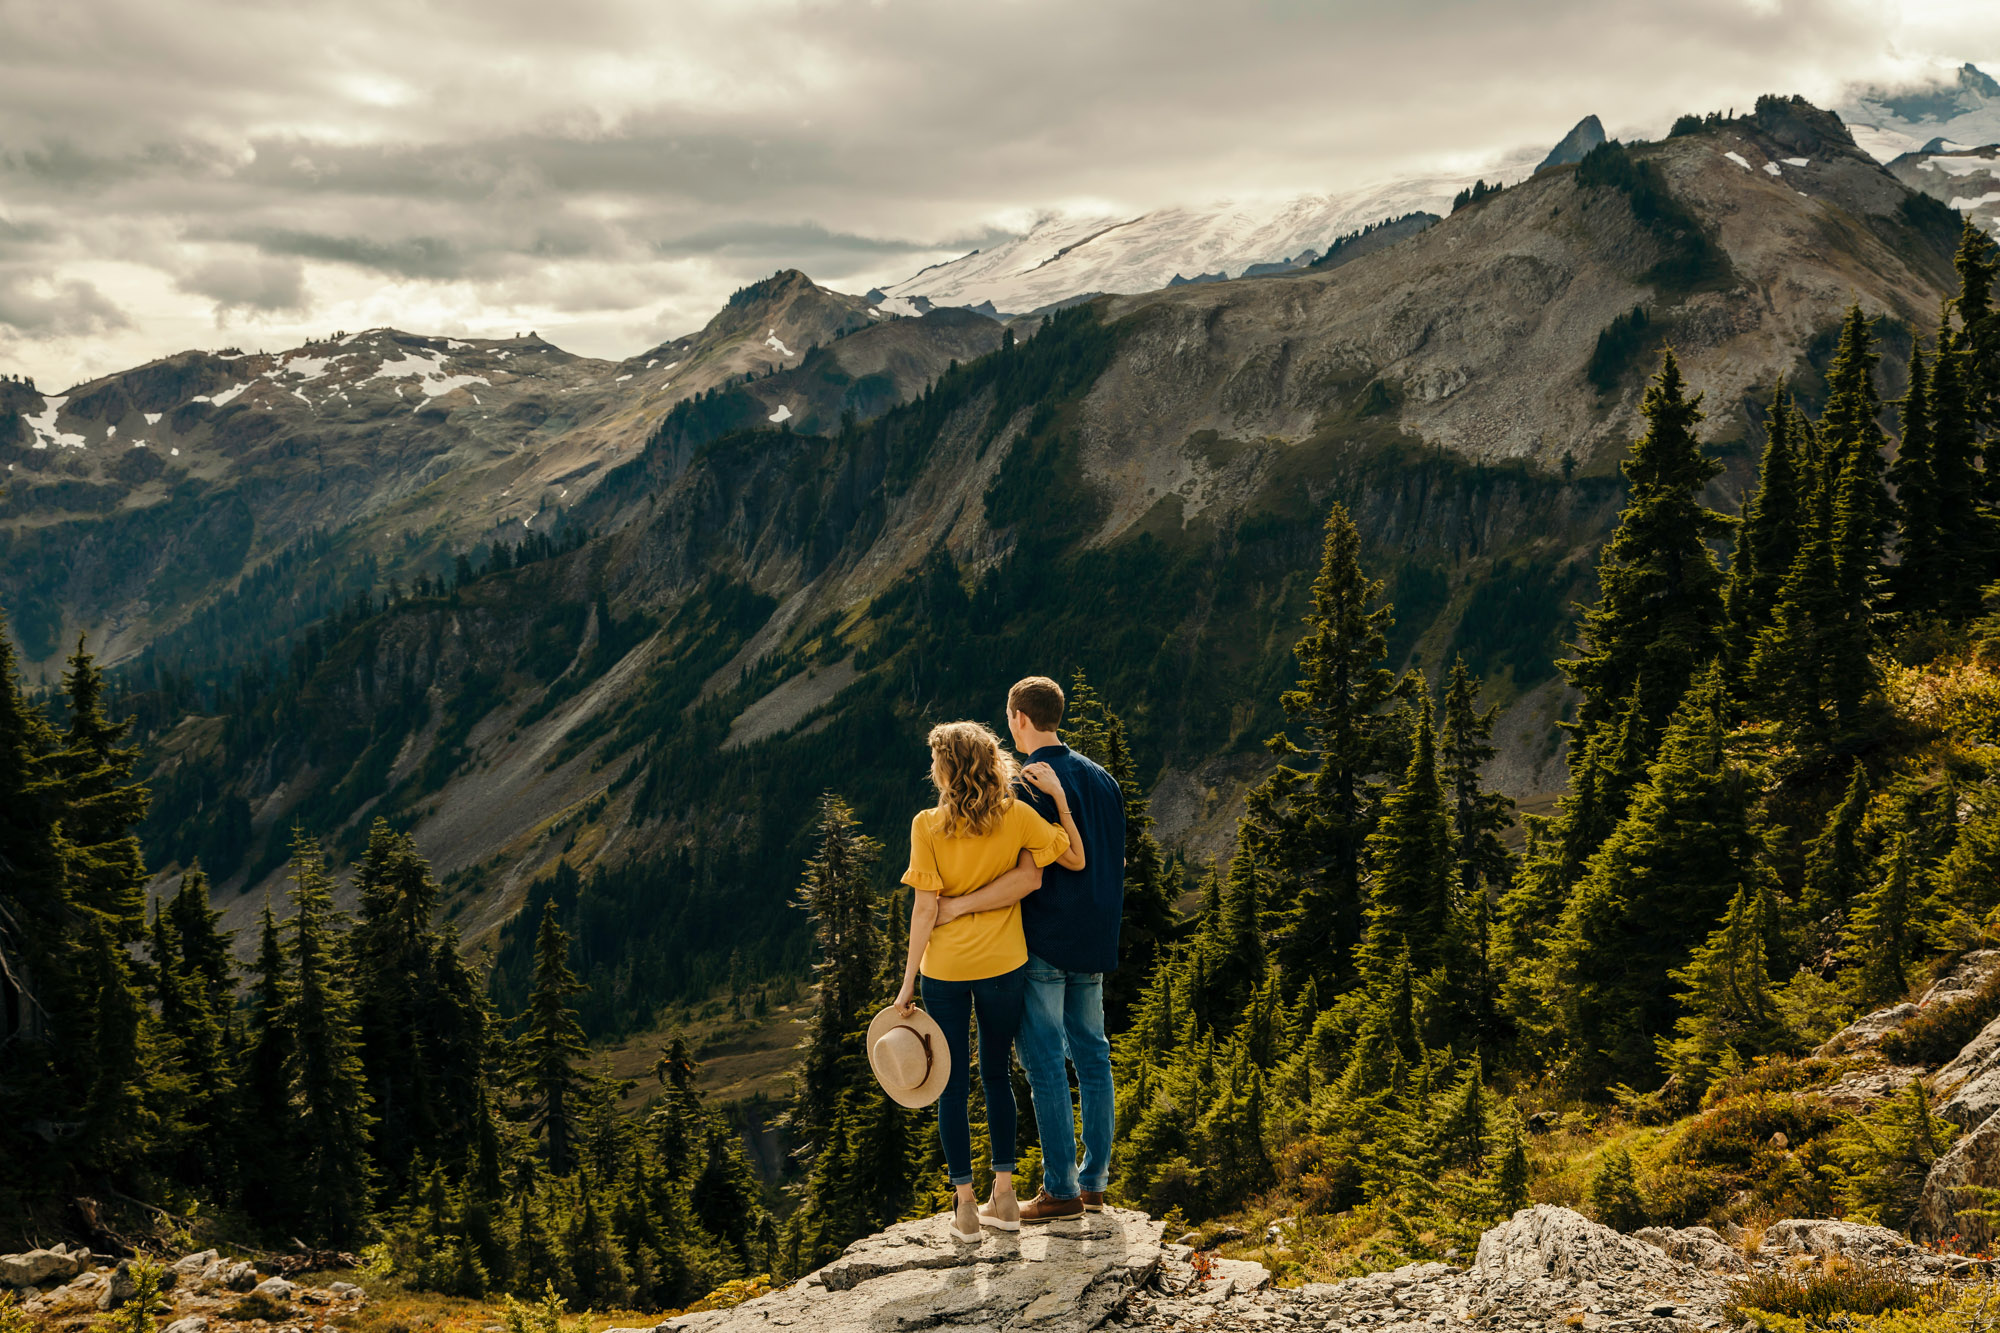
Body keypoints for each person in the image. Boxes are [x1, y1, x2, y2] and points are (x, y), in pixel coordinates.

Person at [937, 676, 1124, 1222]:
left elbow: (1026, 875)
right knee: (1093, 1057)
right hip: (1094, 939)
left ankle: (1059, 1191)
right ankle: (1094, 1185)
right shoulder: (1102, 777)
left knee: (1043, 1064)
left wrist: (957, 905)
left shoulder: (1025, 785)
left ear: (1019, 717)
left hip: (1042, 941)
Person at [893, 719, 1085, 1241]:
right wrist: (1061, 804)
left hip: (945, 971)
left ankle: (965, 1206)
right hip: (1004, 965)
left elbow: (925, 910)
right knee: (997, 1075)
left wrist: (907, 982)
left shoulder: (927, 825)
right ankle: (1005, 1194)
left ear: (947, 768)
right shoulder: (1018, 816)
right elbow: (1071, 855)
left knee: (950, 1085)